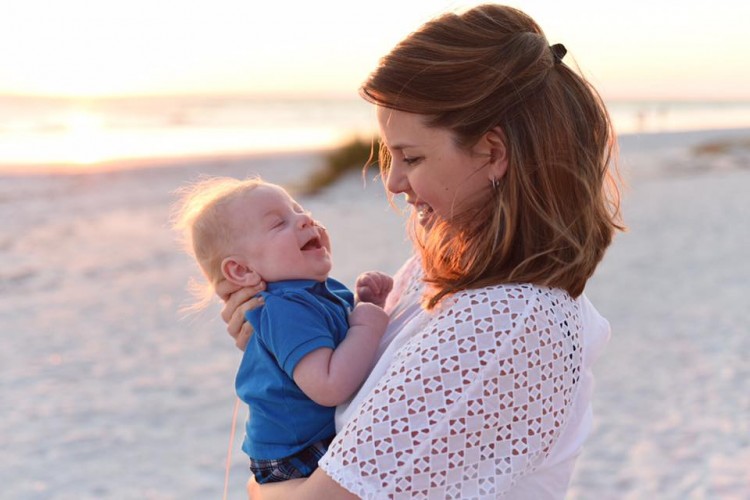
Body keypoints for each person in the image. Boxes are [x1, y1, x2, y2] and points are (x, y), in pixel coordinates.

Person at [219, 4, 623, 498]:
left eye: (411, 157)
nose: (392, 181)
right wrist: (286, 349)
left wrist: (259, 486)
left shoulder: (503, 322)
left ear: (493, 153)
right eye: (390, 155)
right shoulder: (439, 276)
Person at [172, 177, 393, 483]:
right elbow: (329, 386)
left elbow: (339, 341)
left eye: (299, 210)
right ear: (242, 270)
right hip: (295, 453)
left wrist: (365, 304)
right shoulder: (284, 309)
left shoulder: (313, 292)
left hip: (309, 438)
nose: (305, 219)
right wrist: (367, 322)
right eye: (279, 224)